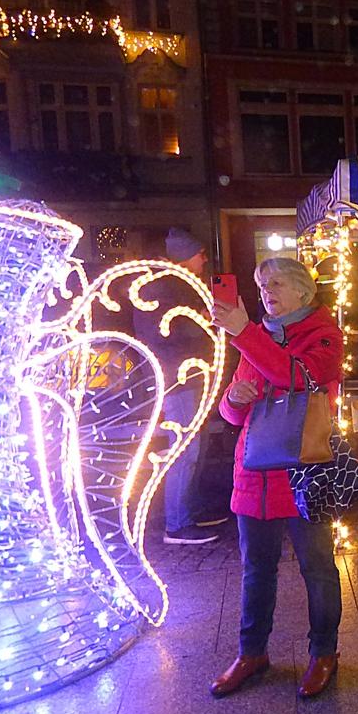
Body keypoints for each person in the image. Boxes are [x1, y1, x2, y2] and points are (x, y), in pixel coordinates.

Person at [209, 257, 344, 699]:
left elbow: (298, 377)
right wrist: (233, 398)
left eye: (277, 283)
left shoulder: (324, 335)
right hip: (254, 476)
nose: (267, 291)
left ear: (303, 290)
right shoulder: (257, 337)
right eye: (262, 284)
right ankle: (252, 653)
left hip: (304, 474)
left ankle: (324, 653)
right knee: (256, 571)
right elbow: (233, 416)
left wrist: (243, 333)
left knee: (318, 569)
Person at [133, 227, 228, 545]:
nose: (204, 259)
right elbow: (164, 331)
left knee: (194, 446)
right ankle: (177, 523)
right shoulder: (163, 285)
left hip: (189, 376)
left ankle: (188, 510)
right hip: (179, 379)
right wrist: (201, 320)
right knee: (186, 449)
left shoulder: (173, 284)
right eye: (200, 253)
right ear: (184, 256)